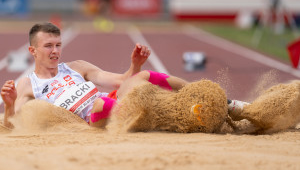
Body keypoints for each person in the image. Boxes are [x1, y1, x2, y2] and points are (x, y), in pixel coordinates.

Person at [0, 22, 189, 129]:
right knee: (100, 104)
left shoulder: (77, 67)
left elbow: (122, 81)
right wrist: (9, 105)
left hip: (116, 105)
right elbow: (10, 127)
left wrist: (135, 65)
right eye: (48, 46)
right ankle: (169, 114)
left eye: (58, 45)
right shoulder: (27, 84)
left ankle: (193, 92)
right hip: (92, 120)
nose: (55, 51)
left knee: (143, 76)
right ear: (32, 50)